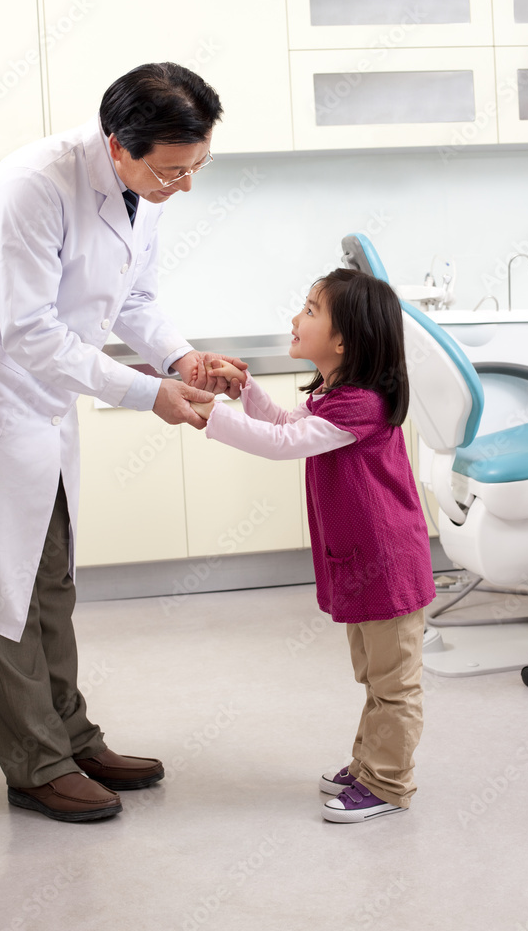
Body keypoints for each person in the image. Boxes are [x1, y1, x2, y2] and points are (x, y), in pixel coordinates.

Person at [0, 62, 246, 822]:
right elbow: (29, 330)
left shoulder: (148, 186)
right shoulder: (29, 187)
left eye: (196, 168)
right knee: (2, 589)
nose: (184, 186)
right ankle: (34, 763)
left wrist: (178, 357)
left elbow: (133, 296)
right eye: (172, 171)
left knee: (52, 582)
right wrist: (148, 393)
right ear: (116, 145)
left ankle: (71, 735)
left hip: (46, 402)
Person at [190, 268, 435, 823]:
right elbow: (282, 421)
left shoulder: (361, 404)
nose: (295, 319)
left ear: (344, 338)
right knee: (373, 674)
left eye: (309, 310)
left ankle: (389, 784)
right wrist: (244, 389)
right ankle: (371, 762)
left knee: (394, 683)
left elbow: (282, 443)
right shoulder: (334, 394)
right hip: (364, 564)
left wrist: (210, 414)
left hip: (388, 566)